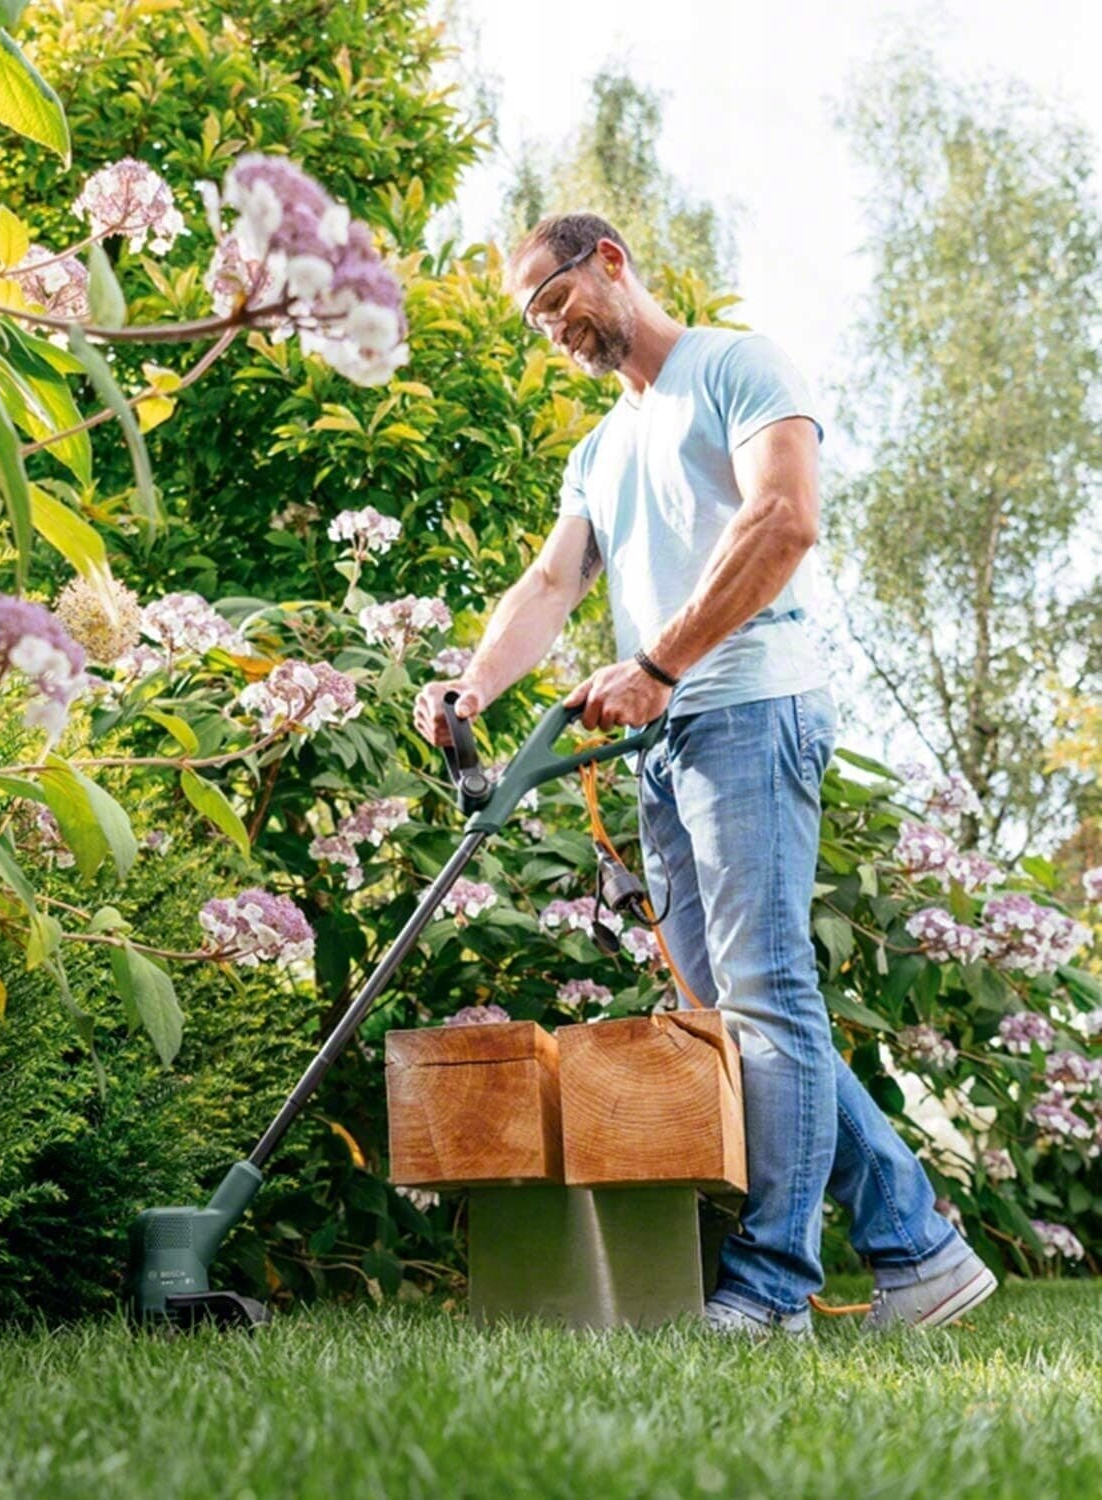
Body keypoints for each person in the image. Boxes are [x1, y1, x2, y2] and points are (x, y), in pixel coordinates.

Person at [412, 212, 997, 1337]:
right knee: (735, 1012)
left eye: (556, 300)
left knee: (769, 999)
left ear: (612, 263)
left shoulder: (739, 365)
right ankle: (919, 1249)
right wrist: (472, 689)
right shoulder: (602, 448)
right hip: (664, 739)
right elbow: (548, 584)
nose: (553, 330)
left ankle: (773, 1286)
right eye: (535, 319)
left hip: (748, 709)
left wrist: (659, 662)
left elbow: (784, 520)